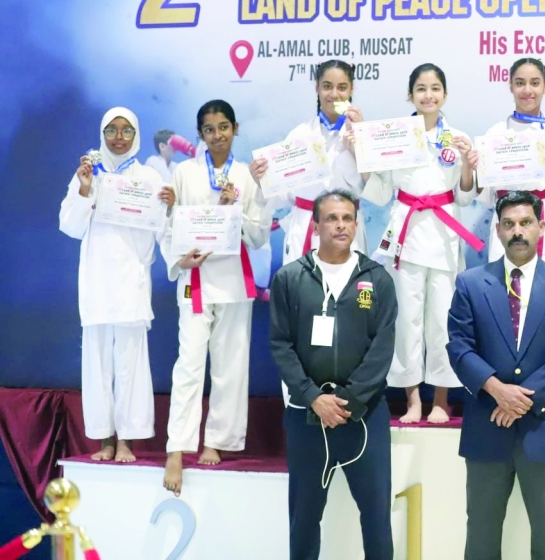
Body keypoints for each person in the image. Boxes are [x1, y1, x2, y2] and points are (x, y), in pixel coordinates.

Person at [447, 190, 545, 560]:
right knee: (481, 533)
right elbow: (459, 347)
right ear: (498, 230)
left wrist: (520, 399)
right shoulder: (470, 283)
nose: (517, 232)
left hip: (544, 426)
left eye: (526, 223)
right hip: (487, 423)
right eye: (509, 224)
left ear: (541, 226)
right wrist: (496, 389)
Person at [269, 190, 398, 560]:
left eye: (347, 218)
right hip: (307, 417)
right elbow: (280, 345)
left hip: (364, 417)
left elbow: (382, 348)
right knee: (304, 521)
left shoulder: (377, 278)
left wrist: (348, 401)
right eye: (331, 218)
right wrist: (314, 398)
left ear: (356, 224)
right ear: (316, 225)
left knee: (377, 519)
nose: (340, 225)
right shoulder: (290, 278)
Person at [161, 99, 272, 496]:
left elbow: (259, 234)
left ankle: (217, 441)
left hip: (233, 278)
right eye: (209, 129)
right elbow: (169, 225)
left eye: (224, 127)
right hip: (195, 277)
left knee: (230, 365)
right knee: (189, 365)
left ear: (235, 128)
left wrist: (234, 210)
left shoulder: (247, 175)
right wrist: (179, 258)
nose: (217, 135)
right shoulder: (183, 172)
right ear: (200, 134)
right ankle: (176, 448)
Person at [363, 63, 481, 424]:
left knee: (443, 320)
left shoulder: (458, 137)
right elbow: (380, 192)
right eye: (421, 89)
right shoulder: (395, 135)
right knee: (406, 320)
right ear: (410, 95)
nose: (428, 95)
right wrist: (362, 155)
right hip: (406, 233)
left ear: (445, 94)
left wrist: (468, 164)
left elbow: (465, 197)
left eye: (435, 88)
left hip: (444, 234)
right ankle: (412, 398)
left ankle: (441, 399)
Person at [59, 107, 174, 463]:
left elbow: (162, 229)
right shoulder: (88, 172)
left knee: (130, 364)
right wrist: (84, 189)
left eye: (126, 130)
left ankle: (126, 440)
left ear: (136, 135)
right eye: (112, 130)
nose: (119, 137)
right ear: (102, 133)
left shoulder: (149, 177)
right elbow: (70, 226)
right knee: (97, 365)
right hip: (96, 281)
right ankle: (104, 439)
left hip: (131, 282)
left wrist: (170, 207)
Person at [474, 58, 545, 271]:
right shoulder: (495, 135)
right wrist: (476, 169)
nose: (527, 90)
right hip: (507, 225)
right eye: (520, 83)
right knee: (505, 287)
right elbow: (487, 198)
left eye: (535, 83)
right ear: (510, 86)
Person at [253, 59, 367, 269]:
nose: (334, 94)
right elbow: (283, 195)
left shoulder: (364, 133)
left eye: (342, 87)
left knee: (348, 288)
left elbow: (375, 191)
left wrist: (360, 143)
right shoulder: (300, 134)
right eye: (327, 86)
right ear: (317, 88)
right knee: (303, 289)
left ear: (352, 89)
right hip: (306, 228)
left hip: (347, 229)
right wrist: (262, 180)